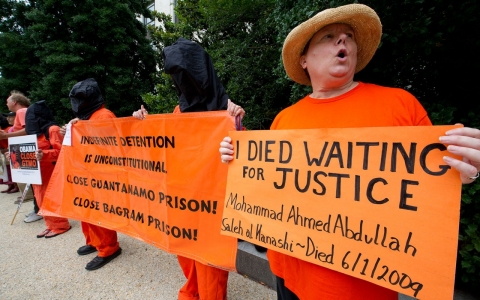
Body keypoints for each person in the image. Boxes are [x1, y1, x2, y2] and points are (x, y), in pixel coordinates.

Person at [219, 4, 480, 300]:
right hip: (287, 273)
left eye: (348, 37)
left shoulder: (400, 106)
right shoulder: (285, 118)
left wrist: (462, 171)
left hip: (359, 288)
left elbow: (432, 188)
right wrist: (236, 159)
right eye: (328, 36)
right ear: (304, 59)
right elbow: (267, 187)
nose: (342, 41)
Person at [133, 37, 245, 300]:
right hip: (182, 199)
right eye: (177, 76)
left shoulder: (227, 111)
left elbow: (243, 161)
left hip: (213, 202)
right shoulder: (177, 111)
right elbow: (163, 148)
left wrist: (239, 127)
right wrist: (142, 125)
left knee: (209, 260)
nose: (184, 81)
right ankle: (193, 290)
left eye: (186, 74)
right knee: (184, 249)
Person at [65, 78, 122, 270]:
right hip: (86, 173)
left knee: (98, 210)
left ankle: (109, 247)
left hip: (100, 175)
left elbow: (110, 150)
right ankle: (94, 241)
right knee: (85, 209)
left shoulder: (103, 116)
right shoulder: (88, 117)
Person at [22, 100, 72, 238]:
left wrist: (44, 154)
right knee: (40, 199)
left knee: (50, 198)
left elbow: (63, 152)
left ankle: (60, 225)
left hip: (50, 171)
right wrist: (14, 155)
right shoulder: (36, 134)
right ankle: (50, 225)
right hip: (37, 173)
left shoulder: (53, 130)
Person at [0, 91, 42, 222]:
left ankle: (39, 209)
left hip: (27, 150)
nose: (6, 104)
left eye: (7, 101)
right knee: (34, 182)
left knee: (35, 182)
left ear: (14, 102)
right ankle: (38, 208)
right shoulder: (24, 111)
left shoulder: (22, 111)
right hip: (25, 150)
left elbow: (27, 130)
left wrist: (6, 136)